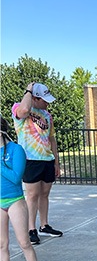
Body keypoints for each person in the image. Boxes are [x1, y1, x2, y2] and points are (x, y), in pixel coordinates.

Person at [1, 115, 48, 261]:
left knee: (24, 243)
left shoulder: (16, 150)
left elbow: (15, 178)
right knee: (1, 244)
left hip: (14, 201)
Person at [12, 82, 62, 245]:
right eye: (44, 99)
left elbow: (52, 139)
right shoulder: (19, 108)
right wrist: (28, 89)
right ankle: (30, 229)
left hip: (47, 159)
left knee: (44, 194)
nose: (47, 103)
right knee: (32, 195)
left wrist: (56, 162)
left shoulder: (47, 115)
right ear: (34, 97)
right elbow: (25, 110)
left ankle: (44, 225)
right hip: (30, 159)